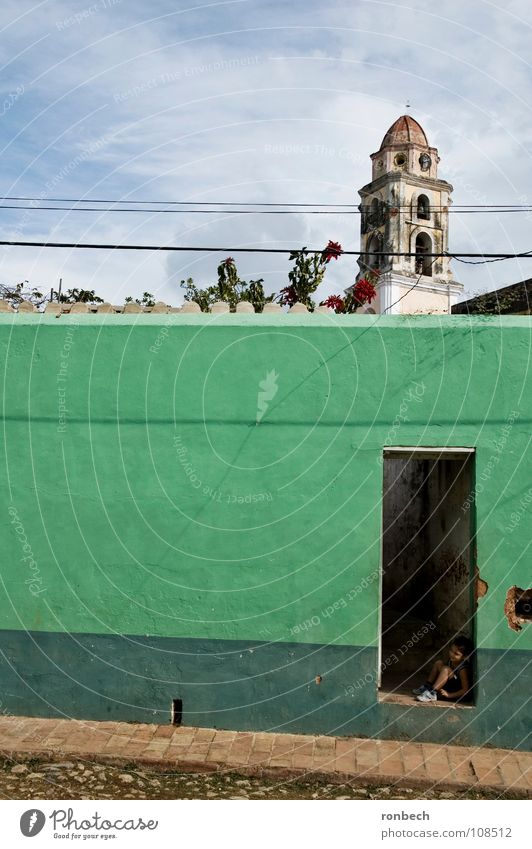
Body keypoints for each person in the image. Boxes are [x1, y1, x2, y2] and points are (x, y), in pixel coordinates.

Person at [412, 635, 473, 702]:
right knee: (439, 663)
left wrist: (449, 695)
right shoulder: (452, 660)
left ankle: (432, 694)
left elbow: (465, 690)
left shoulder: (463, 669)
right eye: (451, 651)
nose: (452, 654)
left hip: (455, 692)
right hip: (450, 684)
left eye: (456, 654)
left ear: (464, 657)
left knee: (446, 669)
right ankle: (427, 687)